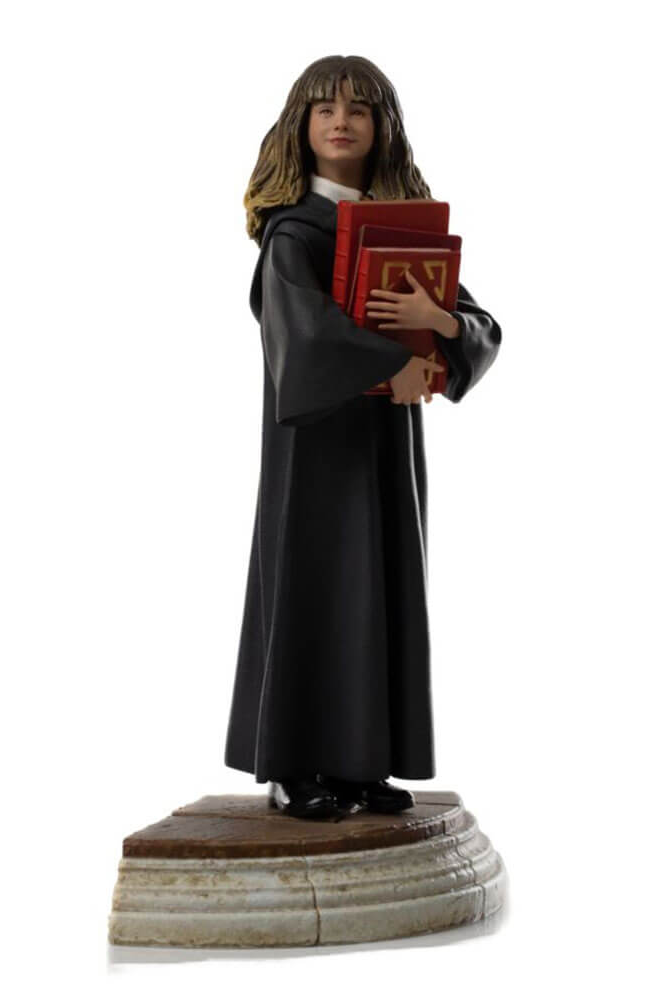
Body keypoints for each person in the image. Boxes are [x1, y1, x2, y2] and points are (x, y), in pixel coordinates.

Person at [223, 55, 502, 819]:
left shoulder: (398, 229)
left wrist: (437, 325)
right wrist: (397, 363)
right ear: (301, 126)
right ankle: (293, 766)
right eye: (325, 109)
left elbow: (478, 325)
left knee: (377, 588)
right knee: (314, 583)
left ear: (383, 128)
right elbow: (302, 338)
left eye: (358, 109)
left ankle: (359, 764)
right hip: (316, 447)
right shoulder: (293, 234)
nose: (341, 121)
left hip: (384, 447)